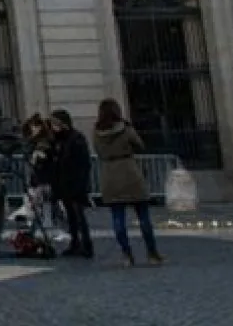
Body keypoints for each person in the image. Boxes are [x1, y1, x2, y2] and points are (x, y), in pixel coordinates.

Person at [93, 98, 164, 267]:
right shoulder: (125, 128)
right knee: (143, 216)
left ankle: (127, 255)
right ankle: (152, 253)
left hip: (109, 174)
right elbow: (140, 145)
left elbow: (98, 151)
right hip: (129, 171)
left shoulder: (97, 132)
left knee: (118, 218)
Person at [49, 108, 94, 258]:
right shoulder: (57, 140)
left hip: (75, 183)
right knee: (70, 216)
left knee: (79, 215)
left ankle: (86, 244)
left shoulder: (76, 139)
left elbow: (83, 163)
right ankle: (75, 243)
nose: (53, 127)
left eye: (55, 124)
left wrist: (81, 184)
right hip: (63, 183)